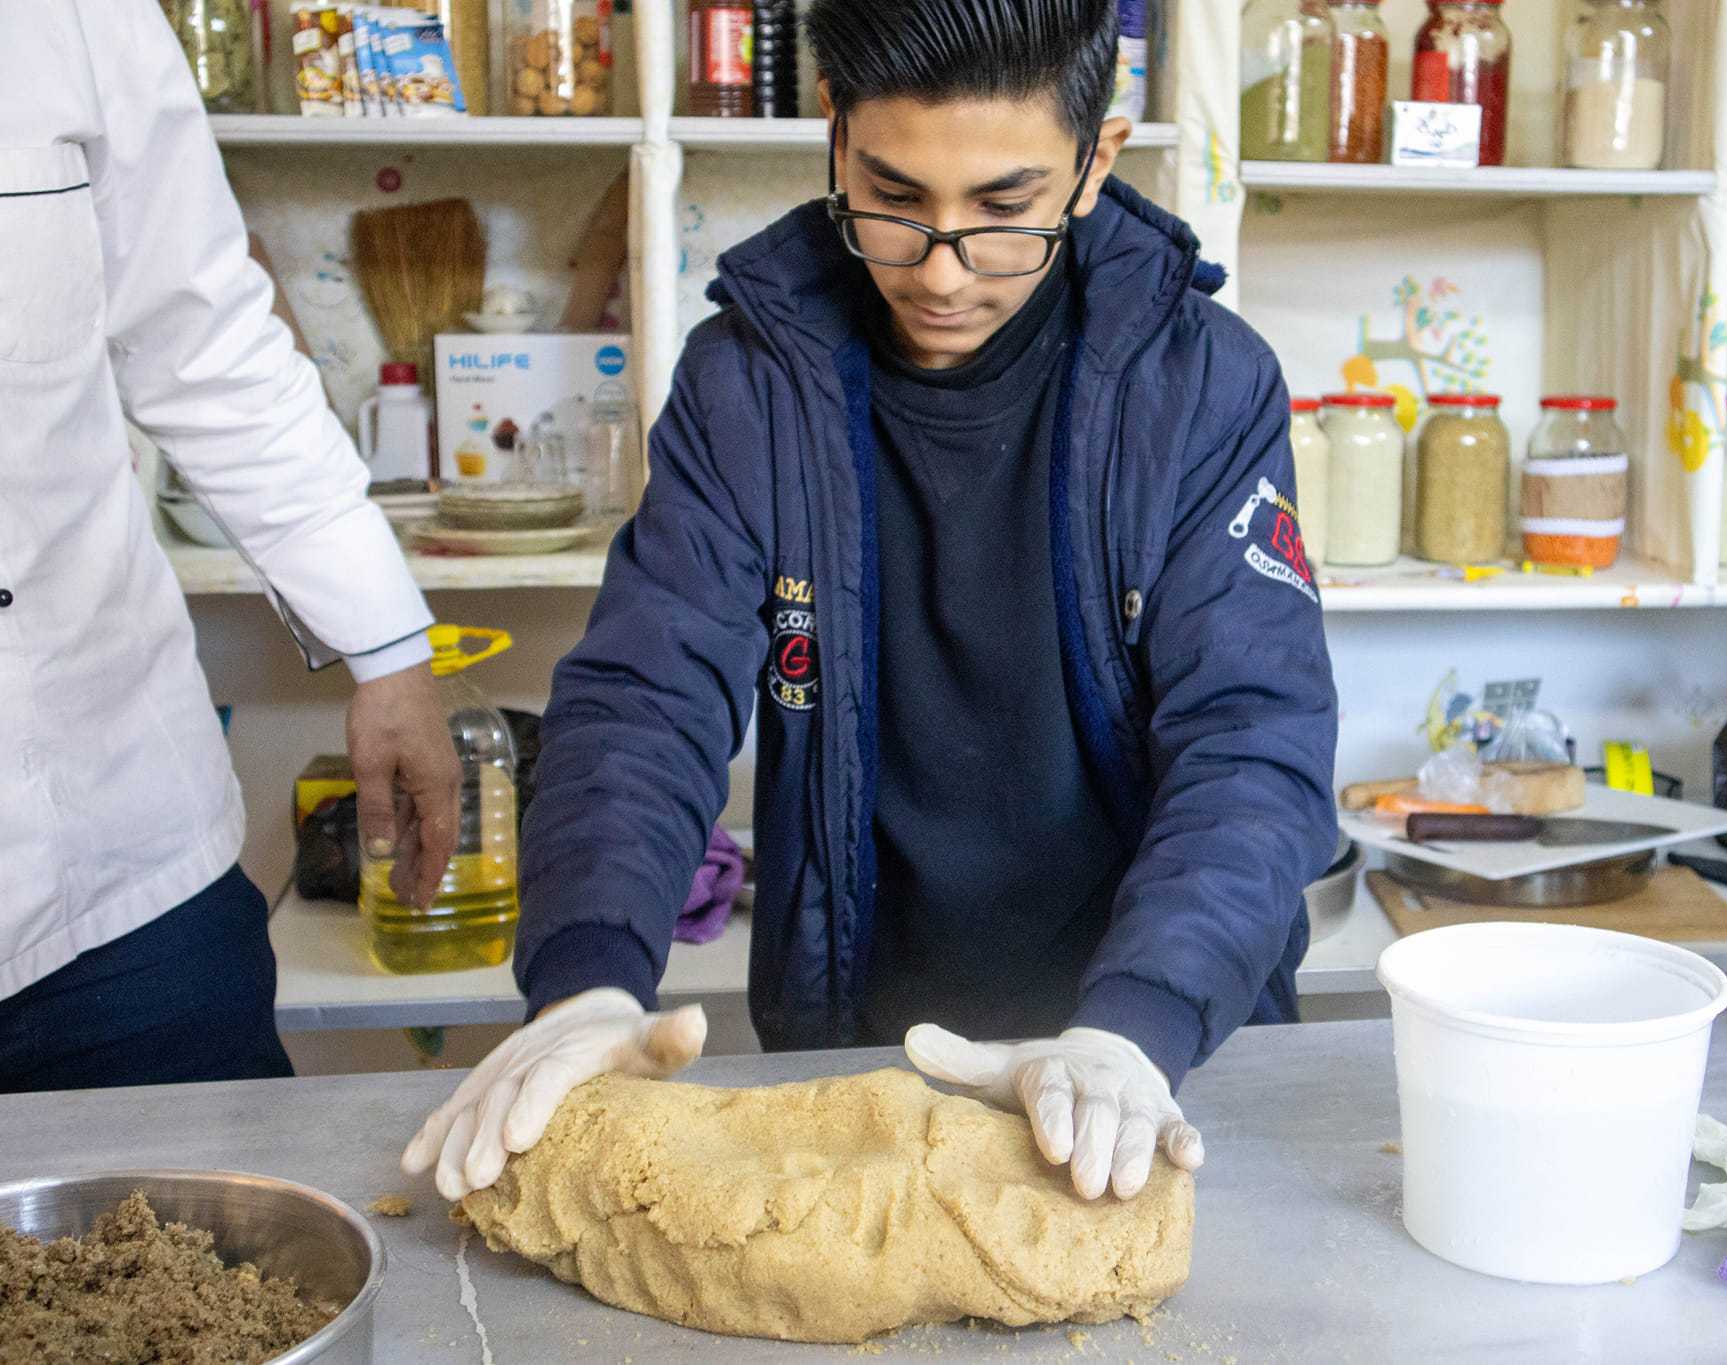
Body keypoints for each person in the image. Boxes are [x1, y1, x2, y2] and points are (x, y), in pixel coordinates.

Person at [405, 0, 1337, 1203]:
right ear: (834, 139)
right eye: (894, 199)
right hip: (859, 1045)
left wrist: (1136, 1025)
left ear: (1095, 164)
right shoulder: (750, 377)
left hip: (1154, 1059)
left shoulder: (1202, 383)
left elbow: (1252, 741)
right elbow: (648, 692)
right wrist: (588, 976)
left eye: (1003, 212)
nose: (940, 270)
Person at [0, 0, 462, 1091]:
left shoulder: (69, 19)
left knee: (230, 1255)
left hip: (118, 880)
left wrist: (391, 656)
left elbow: (208, 351)